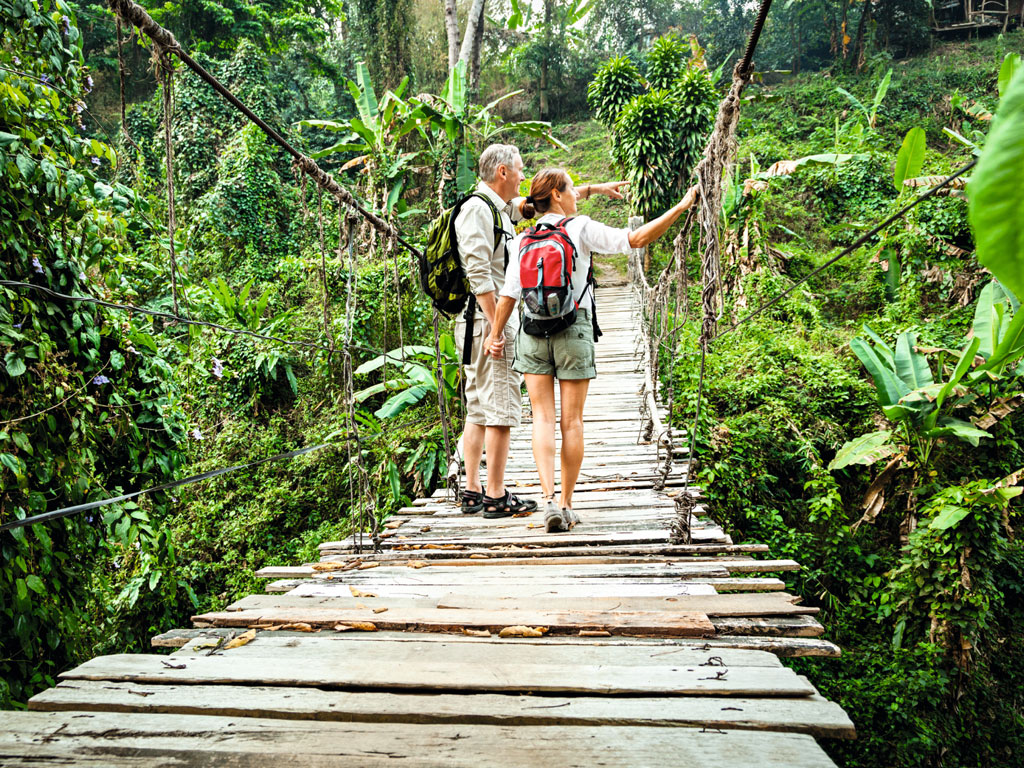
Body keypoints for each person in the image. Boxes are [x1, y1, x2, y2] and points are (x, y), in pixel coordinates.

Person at [486, 168, 698, 532]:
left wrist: (495, 335)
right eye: (571, 189)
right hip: (573, 329)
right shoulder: (579, 228)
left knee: (542, 418)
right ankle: (567, 504)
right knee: (571, 421)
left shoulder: (523, 239)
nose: (575, 196)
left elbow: (509, 294)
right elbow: (636, 238)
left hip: (532, 332)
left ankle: (549, 498)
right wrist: (680, 207)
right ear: (556, 195)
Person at [453, 143, 537, 519]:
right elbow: (478, 273)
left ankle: (472, 491)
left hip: (480, 323)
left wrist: (593, 191)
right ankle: (496, 496)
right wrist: (497, 329)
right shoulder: (477, 209)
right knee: (500, 406)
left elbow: (537, 204)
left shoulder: (495, 209)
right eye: (519, 169)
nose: (523, 175)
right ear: (502, 171)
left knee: (479, 408)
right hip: (487, 322)